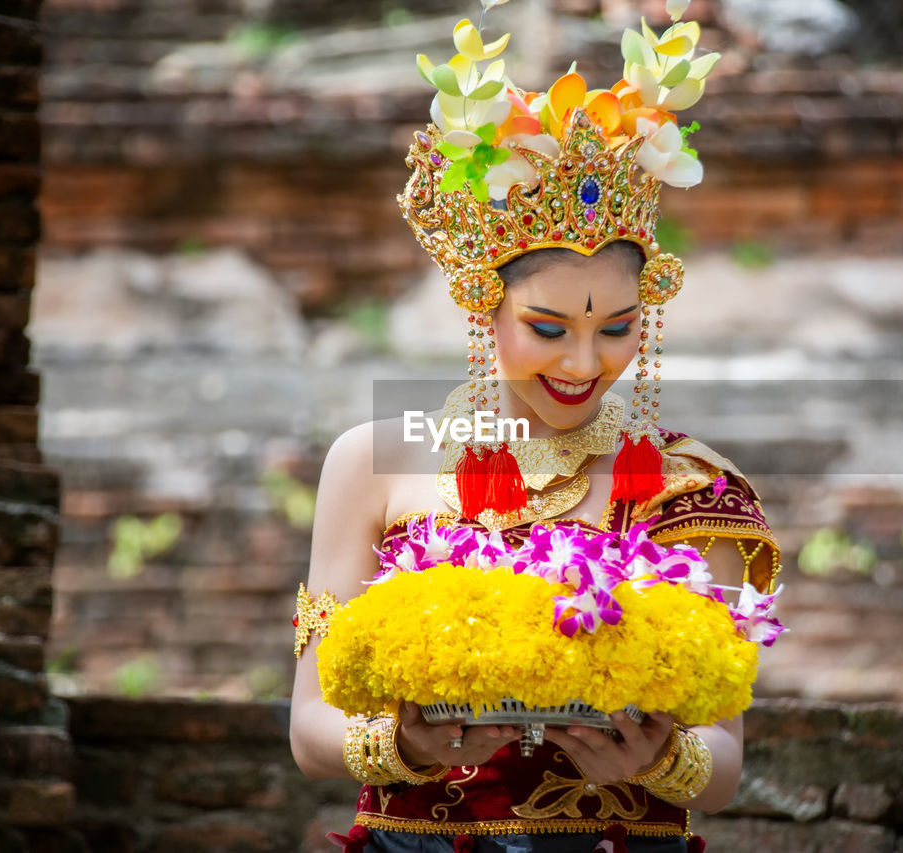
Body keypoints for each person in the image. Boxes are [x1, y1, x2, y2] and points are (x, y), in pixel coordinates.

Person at [289, 3, 780, 850]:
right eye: (549, 329)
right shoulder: (374, 460)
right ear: (484, 305)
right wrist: (400, 745)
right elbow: (309, 727)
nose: (585, 363)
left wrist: (662, 760)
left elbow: (728, 757)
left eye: (619, 326)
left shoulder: (697, 488)